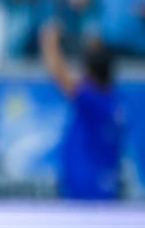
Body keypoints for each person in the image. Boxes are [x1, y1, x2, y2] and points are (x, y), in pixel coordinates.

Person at [39, 20, 125, 200]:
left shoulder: (93, 100)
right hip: (104, 187)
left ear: (90, 75)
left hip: (86, 190)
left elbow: (59, 73)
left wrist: (49, 41)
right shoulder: (115, 101)